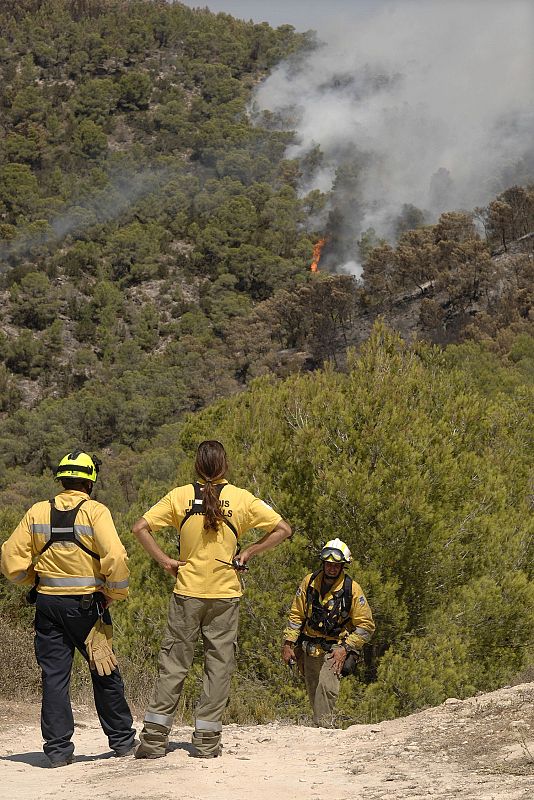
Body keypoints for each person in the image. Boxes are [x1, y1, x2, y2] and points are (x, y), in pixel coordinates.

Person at [132, 440, 292, 760]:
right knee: (218, 668)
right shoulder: (242, 498)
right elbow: (283, 529)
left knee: (174, 665)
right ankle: (206, 741)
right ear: (225, 465)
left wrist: (165, 561)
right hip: (225, 594)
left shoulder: (179, 496)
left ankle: (152, 741)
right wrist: (248, 551)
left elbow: (140, 527)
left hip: (186, 592)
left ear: (196, 465)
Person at [0, 450, 136, 767]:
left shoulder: (36, 512)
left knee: (54, 679)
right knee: (105, 672)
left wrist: (32, 578)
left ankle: (58, 752)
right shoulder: (95, 512)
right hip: (88, 608)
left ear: (61, 479)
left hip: (47, 607)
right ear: (90, 481)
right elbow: (116, 558)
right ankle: (123, 742)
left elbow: (9, 561)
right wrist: (115, 593)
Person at [281, 538, 375, 728]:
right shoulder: (309, 582)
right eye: (328, 564)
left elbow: (366, 626)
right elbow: (296, 615)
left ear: (343, 566)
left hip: (335, 649)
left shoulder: (352, 590)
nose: (332, 568)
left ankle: (324, 730)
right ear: (323, 563)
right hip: (310, 647)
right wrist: (288, 644)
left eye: (336, 565)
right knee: (314, 689)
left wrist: (346, 647)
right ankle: (319, 728)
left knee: (327, 688)